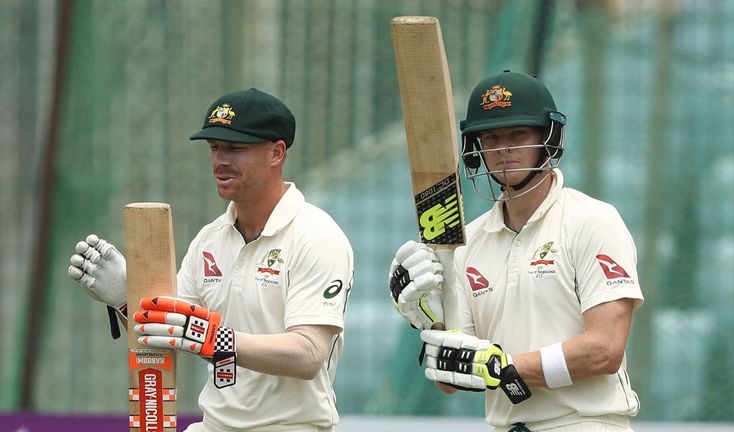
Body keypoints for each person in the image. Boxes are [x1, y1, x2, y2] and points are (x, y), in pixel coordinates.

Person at [68, 88, 354, 432]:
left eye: (236, 148)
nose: (221, 160)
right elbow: (176, 334)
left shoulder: (316, 235)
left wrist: (212, 337)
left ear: (277, 152)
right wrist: (126, 303)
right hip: (214, 425)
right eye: (215, 147)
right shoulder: (210, 239)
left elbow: (308, 354)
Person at [388, 71, 643, 432]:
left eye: (518, 134)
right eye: (491, 137)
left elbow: (605, 349)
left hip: (585, 423)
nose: (503, 149)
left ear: (548, 137)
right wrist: (429, 319)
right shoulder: (467, 243)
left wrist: (504, 367)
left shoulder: (592, 220)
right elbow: (449, 380)